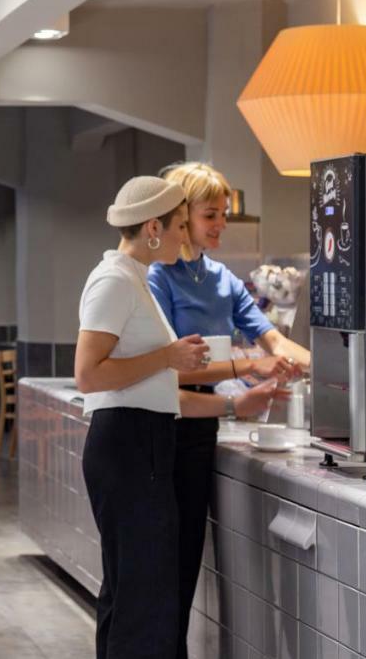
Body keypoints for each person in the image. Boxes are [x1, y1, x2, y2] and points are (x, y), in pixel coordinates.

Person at [75, 176, 283, 659]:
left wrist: (231, 401)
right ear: (153, 227)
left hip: (143, 441)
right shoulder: (115, 280)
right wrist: (169, 357)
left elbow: (161, 391)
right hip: (128, 446)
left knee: (138, 595)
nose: (184, 236)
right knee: (143, 600)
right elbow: (88, 374)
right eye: (180, 226)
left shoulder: (131, 279)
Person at [147, 161, 310, 658]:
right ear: (182, 215)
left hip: (201, 433)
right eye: (210, 215)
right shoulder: (158, 278)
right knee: (159, 577)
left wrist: (309, 363)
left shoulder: (221, 278)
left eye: (224, 216)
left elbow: (272, 336)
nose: (220, 225)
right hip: (163, 432)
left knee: (185, 567)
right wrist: (249, 371)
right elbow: (166, 370)